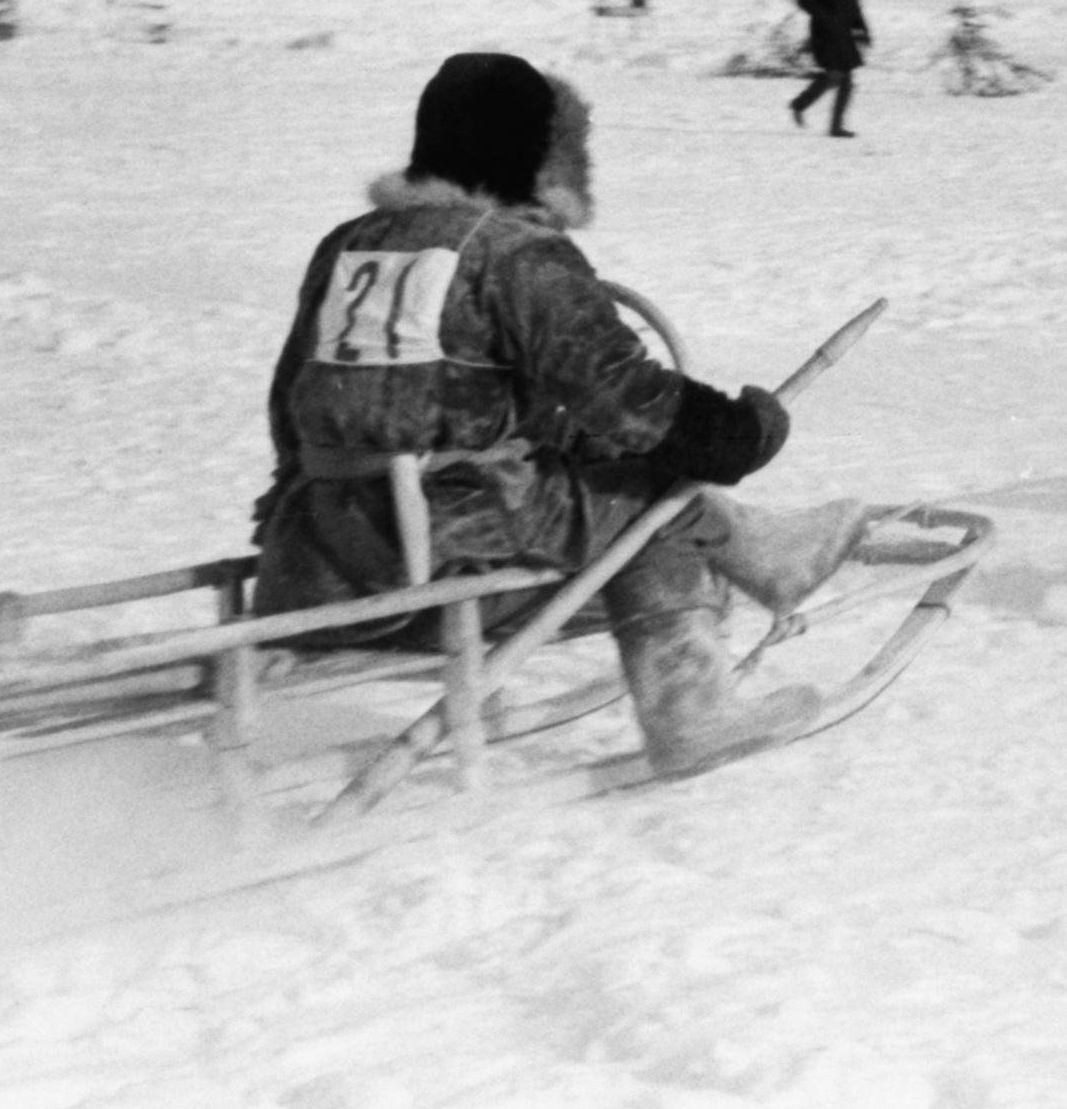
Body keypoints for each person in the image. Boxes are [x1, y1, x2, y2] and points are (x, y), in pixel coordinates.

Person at [251, 51, 869, 779]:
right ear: (529, 153)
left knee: (591, 469)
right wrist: (740, 432)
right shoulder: (517, 255)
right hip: (440, 548)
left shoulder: (349, 244)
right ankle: (693, 707)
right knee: (645, 489)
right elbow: (630, 401)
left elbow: (297, 399)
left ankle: (765, 552)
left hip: (320, 548)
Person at [788, 0, 869, 138]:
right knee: (834, 74)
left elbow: (853, 2)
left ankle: (835, 126)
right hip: (824, 32)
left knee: (846, 78)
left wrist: (861, 29)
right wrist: (825, 17)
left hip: (844, 32)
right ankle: (800, 105)